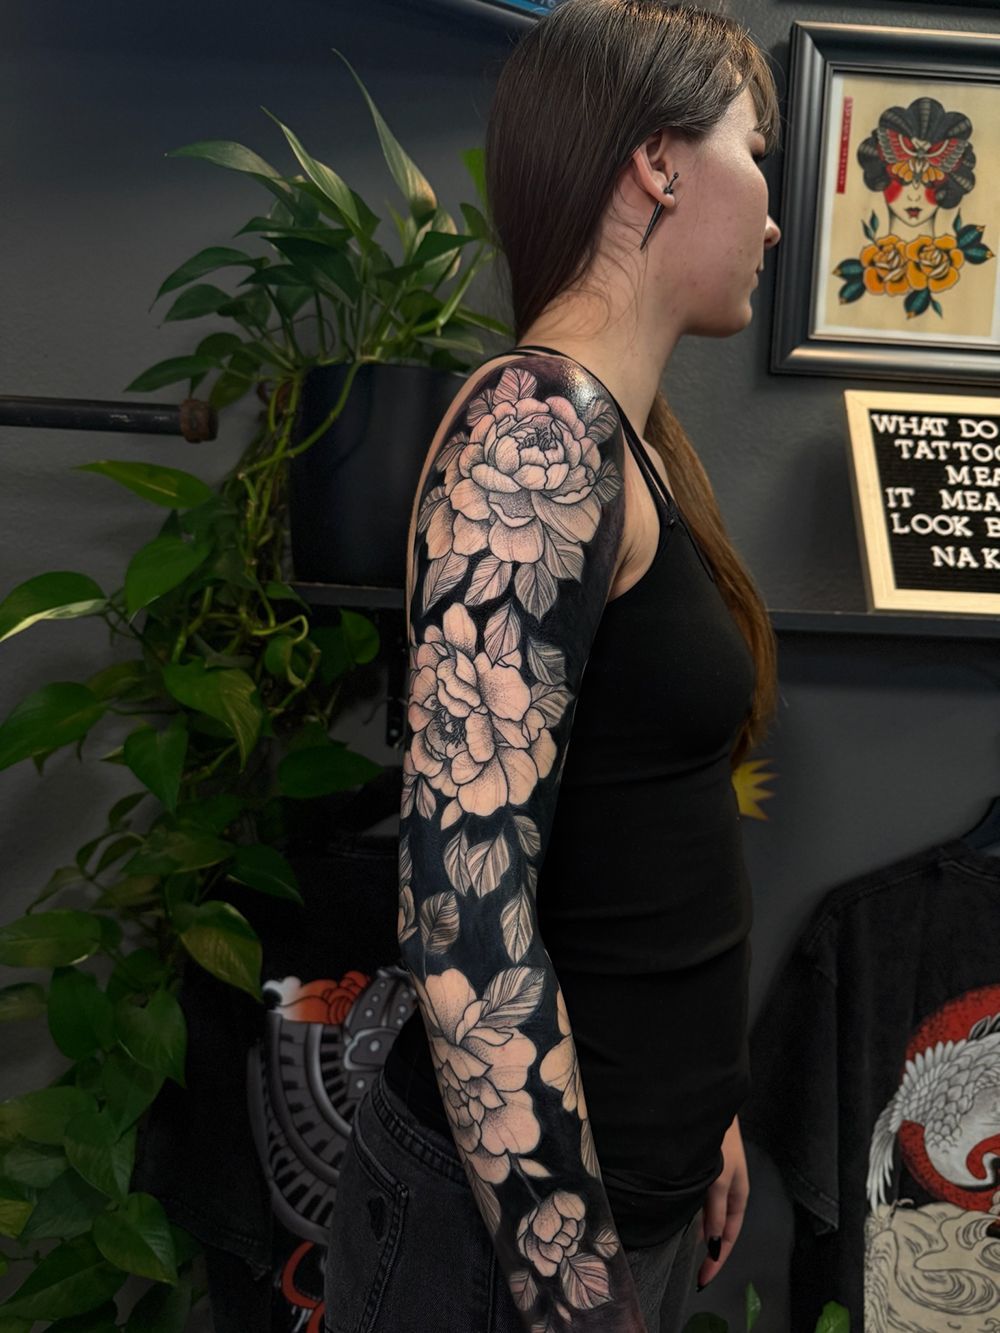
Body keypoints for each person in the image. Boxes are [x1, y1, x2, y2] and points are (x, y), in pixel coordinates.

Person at [323, 2, 782, 1330]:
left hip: (628, 1174)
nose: (768, 219)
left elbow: (635, 832)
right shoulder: (537, 432)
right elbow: (466, 921)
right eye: (753, 153)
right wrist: (569, 1282)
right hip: (507, 1239)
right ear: (659, 163)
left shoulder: (622, 444)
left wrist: (700, 1123)